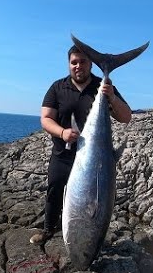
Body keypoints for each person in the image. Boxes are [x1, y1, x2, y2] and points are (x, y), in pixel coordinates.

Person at [30, 44, 132, 245]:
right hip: (63, 154)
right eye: (73, 62)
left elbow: (126, 117)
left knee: (97, 199)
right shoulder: (57, 87)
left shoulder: (102, 87)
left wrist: (110, 96)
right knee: (54, 190)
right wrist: (62, 132)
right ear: (69, 64)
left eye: (83, 61)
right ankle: (48, 229)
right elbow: (45, 118)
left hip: (95, 160)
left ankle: (88, 235)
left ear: (91, 64)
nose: (78, 66)